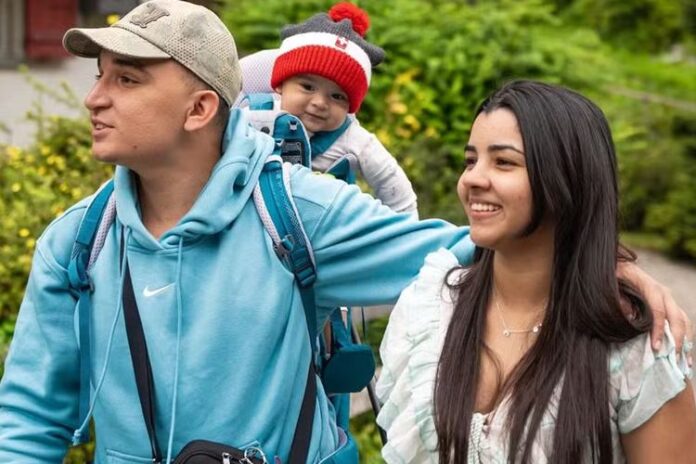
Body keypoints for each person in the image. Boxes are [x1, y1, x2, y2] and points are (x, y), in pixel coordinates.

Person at [0, 2, 688, 462]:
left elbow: (469, 247)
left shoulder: (297, 212)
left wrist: (606, 266)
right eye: (98, 77)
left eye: (125, 78)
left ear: (200, 107)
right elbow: (30, 420)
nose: (94, 97)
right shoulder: (79, 241)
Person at [376, 80, 696, 463]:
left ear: (566, 178)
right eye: (470, 160)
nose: (473, 179)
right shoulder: (430, 310)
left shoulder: (631, 345)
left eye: (504, 162)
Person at [242, 2, 419, 215]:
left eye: (337, 96)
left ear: (350, 107)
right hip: (250, 220)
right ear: (279, 85)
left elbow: (397, 191)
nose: (320, 103)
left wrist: (403, 237)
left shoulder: (355, 141)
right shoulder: (254, 114)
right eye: (307, 87)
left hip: (326, 235)